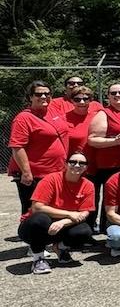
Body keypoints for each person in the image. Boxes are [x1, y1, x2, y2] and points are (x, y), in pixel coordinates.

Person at [18, 152, 95, 274]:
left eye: (82, 163)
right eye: (73, 162)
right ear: (65, 164)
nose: (77, 165)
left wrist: (64, 221)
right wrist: (69, 214)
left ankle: (60, 248)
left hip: (61, 225)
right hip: (34, 228)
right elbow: (37, 207)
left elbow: (84, 212)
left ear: (86, 167)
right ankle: (38, 258)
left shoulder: (88, 185)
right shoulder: (51, 179)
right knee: (41, 219)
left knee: (84, 232)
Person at [7, 80, 69, 215]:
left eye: (47, 94)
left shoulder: (53, 111)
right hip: (35, 174)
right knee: (33, 211)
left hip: (56, 171)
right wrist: (26, 172)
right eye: (38, 94)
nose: (43, 97)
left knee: (54, 207)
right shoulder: (23, 118)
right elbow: (17, 146)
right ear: (30, 97)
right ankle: (29, 234)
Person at [87, 82, 120, 231]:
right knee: (108, 196)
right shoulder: (104, 113)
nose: (118, 95)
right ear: (108, 96)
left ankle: (119, 224)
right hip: (109, 164)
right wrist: (114, 141)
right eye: (113, 93)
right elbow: (92, 139)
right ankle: (100, 226)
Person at [63, 85, 96, 157]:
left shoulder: (97, 118)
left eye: (85, 99)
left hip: (95, 162)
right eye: (77, 99)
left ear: (91, 100)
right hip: (73, 164)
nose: (81, 102)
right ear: (72, 101)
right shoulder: (63, 118)